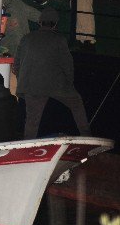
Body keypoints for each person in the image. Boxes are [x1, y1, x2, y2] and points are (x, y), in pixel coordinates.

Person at [14, 7, 91, 139]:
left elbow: (16, 65)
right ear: (55, 24)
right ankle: (87, 136)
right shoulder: (60, 40)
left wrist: (23, 79)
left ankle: (27, 146)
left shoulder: (26, 38)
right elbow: (68, 65)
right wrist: (69, 84)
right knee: (77, 104)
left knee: (32, 121)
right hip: (57, 85)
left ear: (39, 22)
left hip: (31, 86)